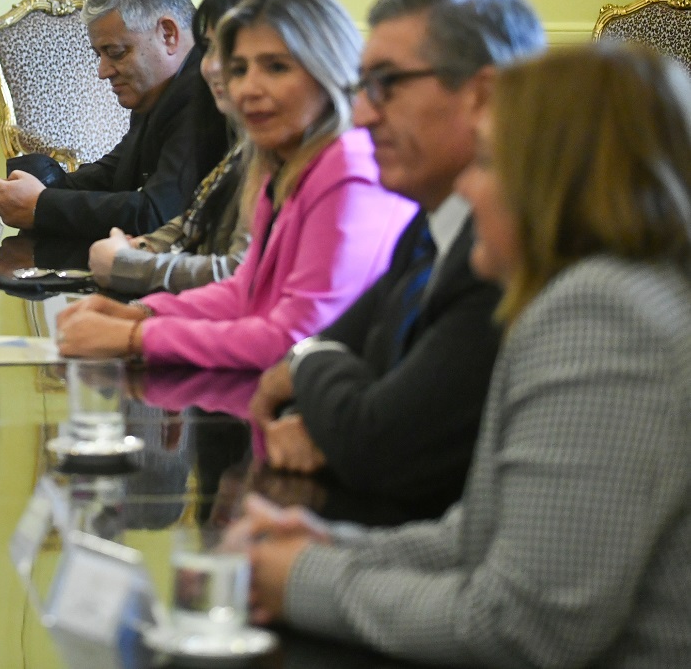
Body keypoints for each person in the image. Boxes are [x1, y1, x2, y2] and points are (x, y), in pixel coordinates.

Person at [243, 45, 691, 667]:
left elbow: (524, 627)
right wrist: (330, 547)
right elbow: (484, 534)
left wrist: (302, 580)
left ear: (552, 180)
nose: (467, 186)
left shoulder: (602, 313)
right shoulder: (598, 293)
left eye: (483, 161)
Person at [249, 0, 544, 516]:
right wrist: (329, 399)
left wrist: (318, 378)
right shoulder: (430, 227)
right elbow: (329, 361)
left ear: (483, 95)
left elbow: (378, 444)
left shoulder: (508, 253)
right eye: (363, 87)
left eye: (386, 84)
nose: (361, 116)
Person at [55, 0, 414, 368]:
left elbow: (293, 338)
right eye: (239, 69)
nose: (248, 89)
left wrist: (135, 336)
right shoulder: (280, 160)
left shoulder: (349, 166)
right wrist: (143, 313)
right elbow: (246, 289)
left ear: (327, 70)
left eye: (276, 67)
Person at [0, 0, 212, 267]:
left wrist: (42, 205)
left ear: (168, 34)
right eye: (99, 55)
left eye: (116, 52)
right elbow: (117, 171)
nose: (103, 71)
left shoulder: (207, 93)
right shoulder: (162, 88)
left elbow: (157, 214)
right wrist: (46, 187)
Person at [87, 0, 279, 295]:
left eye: (236, 57)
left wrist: (130, 270)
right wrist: (144, 249)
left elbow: (240, 275)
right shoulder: (254, 142)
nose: (212, 67)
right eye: (209, 49)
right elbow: (193, 221)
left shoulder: (313, 158)